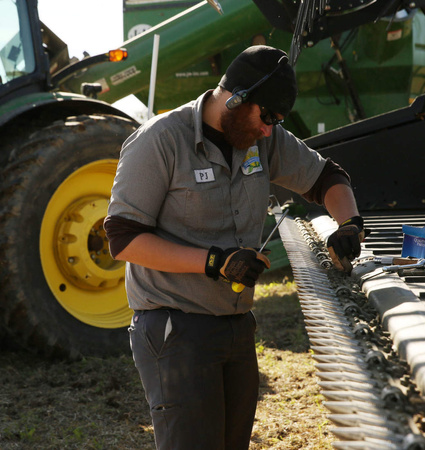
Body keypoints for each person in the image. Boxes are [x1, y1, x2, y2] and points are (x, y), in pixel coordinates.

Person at [104, 45, 365, 450]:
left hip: (237, 326)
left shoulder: (263, 137)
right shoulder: (159, 141)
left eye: (276, 122)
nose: (268, 131)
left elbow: (327, 176)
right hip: (176, 329)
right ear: (236, 97)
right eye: (267, 117)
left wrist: (349, 224)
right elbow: (123, 239)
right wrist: (215, 262)